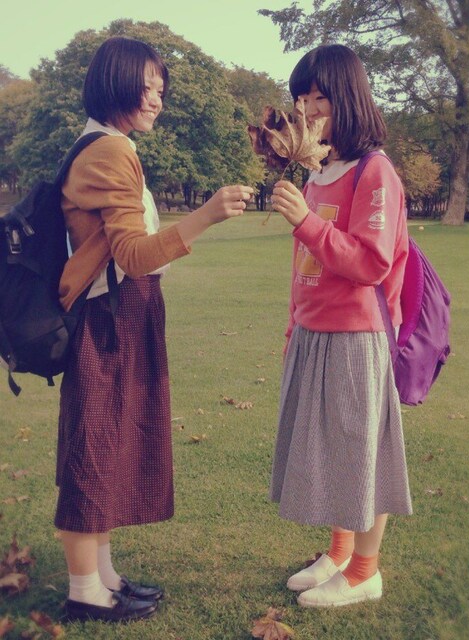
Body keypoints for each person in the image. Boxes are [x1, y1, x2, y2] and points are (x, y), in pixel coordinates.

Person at [55, 36, 252, 623]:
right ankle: (84, 590)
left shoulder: (110, 145)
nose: (156, 99)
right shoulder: (109, 152)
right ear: (114, 83)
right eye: (146, 87)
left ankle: (104, 577)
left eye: (160, 89)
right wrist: (206, 215)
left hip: (125, 314)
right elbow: (134, 256)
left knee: (110, 444)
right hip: (108, 318)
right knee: (94, 447)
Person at [269, 44, 412, 608]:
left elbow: (371, 263)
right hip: (315, 332)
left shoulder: (376, 172)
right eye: (300, 99)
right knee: (332, 448)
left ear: (347, 98)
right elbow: (303, 266)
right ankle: (339, 552)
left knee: (361, 451)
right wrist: (294, 325)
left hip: (358, 335)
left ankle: (364, 573)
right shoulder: (319, 172)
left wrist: (305, 222)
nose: (307, 110)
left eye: (318, 97)